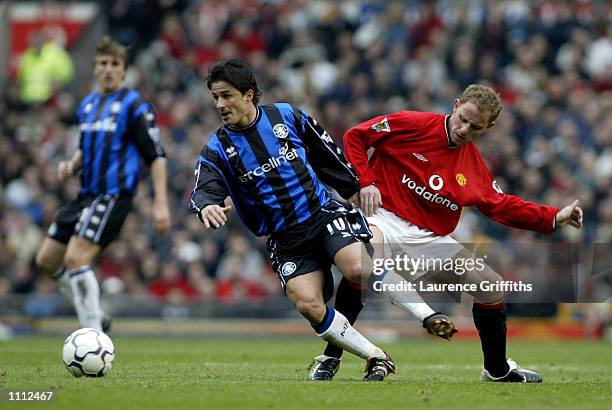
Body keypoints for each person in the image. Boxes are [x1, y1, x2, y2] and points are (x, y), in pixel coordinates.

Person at [317, 84, 583, 383]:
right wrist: (365, 182)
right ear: (456, 105)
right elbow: (356, 135)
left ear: (489, 128)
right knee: (364, 267)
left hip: (430, 239)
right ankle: (330, 357)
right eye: (463, 118)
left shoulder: (473, 166)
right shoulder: (412, 123)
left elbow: (501, 206)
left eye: (475, 127)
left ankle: (497, 370)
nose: (464, 129)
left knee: (491, 286)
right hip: (384, 217)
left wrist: (553, 216)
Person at [189, 58, 397, 381]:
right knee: (308, 304)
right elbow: (204, 186)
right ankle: (375, 355)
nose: (220, 104)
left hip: (321, 214)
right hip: (285, 239)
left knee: (358, 268)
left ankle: (330, 356)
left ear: (248, 95)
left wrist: (354, 187)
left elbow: (326, 152)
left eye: (226, 95)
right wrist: (206, 206)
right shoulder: (219, 147)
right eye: (215, 97)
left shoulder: (286, 116)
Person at [35, 36, 171, 332]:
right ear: (96, 68)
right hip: (85, 194)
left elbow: (156, 156)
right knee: (46, 259)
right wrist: (72, 163)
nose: (108, 69)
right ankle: (94, 312)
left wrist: (161, 203)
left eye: (115, 64)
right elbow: (86, 145)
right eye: (103, 63)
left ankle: (93, 334)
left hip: (113, 195)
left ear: (123, 70)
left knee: (75, 258)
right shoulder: (87, 105)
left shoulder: (135, 106)